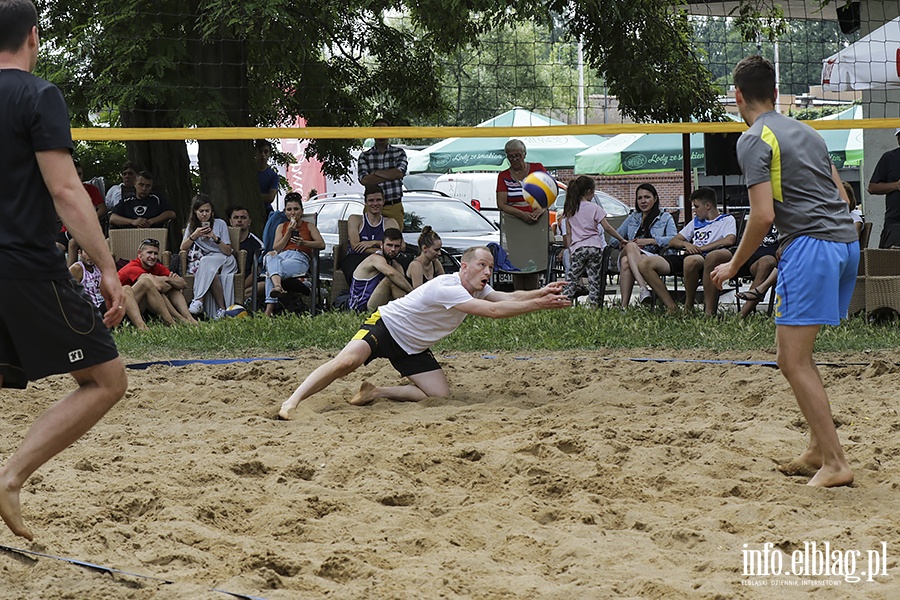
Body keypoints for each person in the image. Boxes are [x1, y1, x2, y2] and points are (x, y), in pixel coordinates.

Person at [0, 0, 127, 540]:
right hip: (25, 266)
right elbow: (65, 191)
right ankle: (9, 478)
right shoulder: (38, 94)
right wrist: (108, 267)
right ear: (33, 36)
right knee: (105, 379)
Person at [711, 55, 859, 488]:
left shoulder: (754, 138)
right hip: (846, 244)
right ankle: (817, 449)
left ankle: (835, 462)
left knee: (790, 359)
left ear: (737, 96)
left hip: (811, 247)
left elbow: (761, 217)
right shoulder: (808, 131)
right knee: (801, 356)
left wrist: (733, 266)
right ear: (775, 94)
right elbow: (840, 194)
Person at [278, 246, 571, 419]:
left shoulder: (478, 288)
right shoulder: (449, 287)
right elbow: (494, 313)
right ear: (465, 266)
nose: (488, 271)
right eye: (482, 265)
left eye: (491, 267)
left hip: (413, 347)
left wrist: (540, 293)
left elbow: (507, 299)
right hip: (387, 326)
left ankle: (375, 391)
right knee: (346, 363)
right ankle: (292, 401)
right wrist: (540, 304)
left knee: (439, 395)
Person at [639, 187, 736, 315]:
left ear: (708, 206)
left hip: (710, 257)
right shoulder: (695, 222)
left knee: (691, 260)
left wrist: (701, 249)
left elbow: (729, 240)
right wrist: (686, 244)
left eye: (696, 206)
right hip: (690, 255)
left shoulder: (726, 220)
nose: (694, 211)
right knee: (645, 264)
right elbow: (673, 241)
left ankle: (688, 306)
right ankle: (671, 306)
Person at [560, 176, 628, 306]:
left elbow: (569, 233)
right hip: (594, 247)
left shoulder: (570, 209)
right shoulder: (595, 208)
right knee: (594, 279)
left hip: (578, 248)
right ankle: (593, 306)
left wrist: (570, 250)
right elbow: (607, 227)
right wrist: (621, 239)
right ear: (589, 191)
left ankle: (564, 303)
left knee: (572, 278)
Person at [609, 183, 677, 308]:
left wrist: (650, 241)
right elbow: (613, 239)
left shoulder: (665, 217)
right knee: (630, 247)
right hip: (630, 250)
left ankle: (624, 307)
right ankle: (643, 288)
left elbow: (674, 239)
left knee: (625, 262)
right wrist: (625, 242)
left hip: (652, 256)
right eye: (639, 198)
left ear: (655, 198)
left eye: (647, 197)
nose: (643, 201)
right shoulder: (633, 217)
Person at [496, 139, 548, 290]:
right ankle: (519, 296)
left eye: (517, 156)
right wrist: (521, 214)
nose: (514, 160)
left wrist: (542, 209)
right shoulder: (504, 176)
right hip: (515, 224)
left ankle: (532, 296)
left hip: (536, 222)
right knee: (517, 261)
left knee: (534, 261)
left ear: (524, 154)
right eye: (510, 157)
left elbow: (550, 191)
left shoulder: (537, 169)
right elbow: (501, 204)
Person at [263, 194, 325, 317]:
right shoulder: (281, 226)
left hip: (299, 257)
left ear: (302, 211)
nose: (293, 213)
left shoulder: (309, 226)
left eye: (296, 209)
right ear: (285, 212)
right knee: (269, 256)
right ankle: (278, 286)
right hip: (282, 256)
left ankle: (268, 310)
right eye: (289, 209)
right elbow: (277, 248)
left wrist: (304, 243)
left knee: (271, 272)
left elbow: (321, 244)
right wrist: (288, 233)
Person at [180, 194, 237, 319]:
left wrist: (215, 238)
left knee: (206, 261)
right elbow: (182, 248)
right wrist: (194, 235)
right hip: (208, 264)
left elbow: (228, 251)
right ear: (195, 212)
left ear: (212, 212)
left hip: (224, 259)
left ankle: (198, 299)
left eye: (207, 211)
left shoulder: (220, 224)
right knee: (211, 270)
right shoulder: (192, 227)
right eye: (201, 211)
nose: (204, 214)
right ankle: (222, 309)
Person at [118, 238, 197, 325]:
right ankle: (176, 320)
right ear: (140, 254)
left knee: (173, 288)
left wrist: (167, 279)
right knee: (150, 285)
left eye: (155, 253)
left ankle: (189, 318)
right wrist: (169, 280)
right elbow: (157, 286)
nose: (153, 257)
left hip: (140, 306)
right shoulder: (132, 267)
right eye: (149, 252)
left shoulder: (157, 267)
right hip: (121, 308)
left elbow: (183, 284)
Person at [70, 246, 149, 331]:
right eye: (87, 253)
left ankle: (164, 319)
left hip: (107, 306)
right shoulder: (77, 269)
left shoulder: (98, 266)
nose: (91, 256)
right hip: (93, 312)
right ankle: (143, 328)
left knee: (144, 283)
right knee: (125, 289)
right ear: (80, 253)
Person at [343, 185, 402, 285]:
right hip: (358, 257)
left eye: (378, 200)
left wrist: (372, 243)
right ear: (365, 203)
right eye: (371, 200)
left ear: (383, 202)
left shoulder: (390, 222)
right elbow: (356, 246)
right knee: (353, 269)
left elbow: (400, 245)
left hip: (383, 258)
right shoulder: (356, 219)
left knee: (400, 268)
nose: (375, 203)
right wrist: (382, 249)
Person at [357, 118, 408, 227]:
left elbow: (399, 173)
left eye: (384, 131)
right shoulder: (364, 156)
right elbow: (364, 180)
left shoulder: (399, 152)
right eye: (378, 131)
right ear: (373, 133)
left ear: (390, 133)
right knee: (368, 237)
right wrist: (390, 175)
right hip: (371, 206)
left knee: (394, 241)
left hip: (393, 205)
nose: (381, 135)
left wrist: (375, 173)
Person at [348, 228, 411, 312]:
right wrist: (413, 293)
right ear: (382, 245)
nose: (393, 249)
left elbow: (401, 285)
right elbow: (391, 273)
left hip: (380, 303)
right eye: (389, 245)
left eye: (396, 246)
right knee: (390, 280)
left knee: (399, 281)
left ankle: (411, 313)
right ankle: (411, 312)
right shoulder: (375, 259)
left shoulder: (395, 265)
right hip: (360, 307)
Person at [734, 225, 779, 318]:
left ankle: (742, 315)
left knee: (767, 262)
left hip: (774, 260)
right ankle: (709, 314)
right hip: (750, 259)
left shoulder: (790, 219)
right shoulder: (761, 217)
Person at [866, 127, 900, 247]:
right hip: (895, 224)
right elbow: (872, 187)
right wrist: (896, 185)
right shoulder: (889, 158)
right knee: (890, 263)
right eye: (899, 136)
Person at [108, 171, 176, 229]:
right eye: (141, 185)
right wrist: (132, 221)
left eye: (148, 186)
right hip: (129, 236)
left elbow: (171, 213)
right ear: (135, 184)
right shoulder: (127, 200)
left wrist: (151, 221)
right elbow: (113, 218)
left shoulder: (156, 198)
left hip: (153, 234)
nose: (144, 188)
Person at [227, 205, 264, 301]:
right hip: (225, 281)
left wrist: (240, 288)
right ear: (230, 221)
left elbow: (256, 271)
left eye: (243, 218)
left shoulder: (257, 244)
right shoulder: (223, 241)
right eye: (236, 217)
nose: (239, 220)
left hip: (247, 284)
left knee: (262, 286)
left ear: (249, 222)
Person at [255, 140, 279, 214]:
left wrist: (253, 197)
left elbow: (270, 197)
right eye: (260, 151)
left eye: (266, 152)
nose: (263, 155)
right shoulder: (247, 172)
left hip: (266, 210)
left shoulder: (273, 175)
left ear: (269, 154)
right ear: (255, 152)